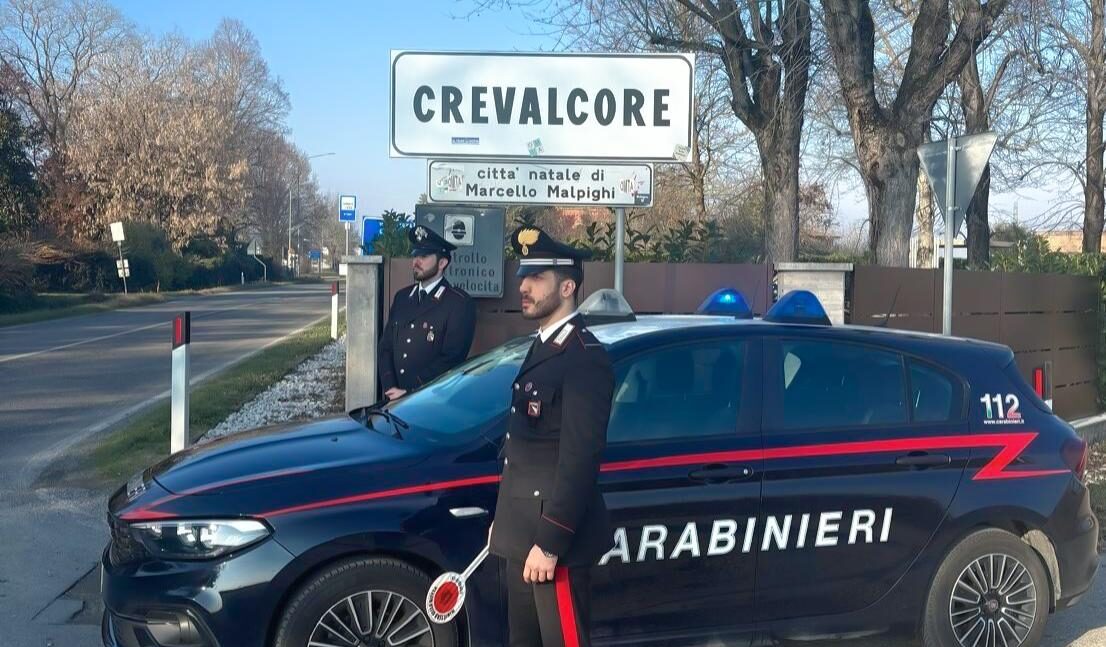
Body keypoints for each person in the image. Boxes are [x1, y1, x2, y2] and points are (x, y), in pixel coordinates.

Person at [488, 226, 614, 647]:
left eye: (536, 277)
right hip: (523, 535)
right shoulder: (543, 345)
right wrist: (505, 523)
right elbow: (523, 449)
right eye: (523, 276)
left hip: (554, 545)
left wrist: (551, 542)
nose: (523, 286)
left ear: (567, 287)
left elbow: (579, 460)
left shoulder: (584, 358)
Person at [378, 224, 476, 400]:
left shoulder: (458, 303)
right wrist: (390, 387)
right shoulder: (402, 297)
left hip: (431, 401)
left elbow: (451, 359)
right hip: (394, 399)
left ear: (442, 263)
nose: (416, 261)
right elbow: (386, 347)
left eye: (423, 256)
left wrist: (410, 391)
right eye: (415, 255)